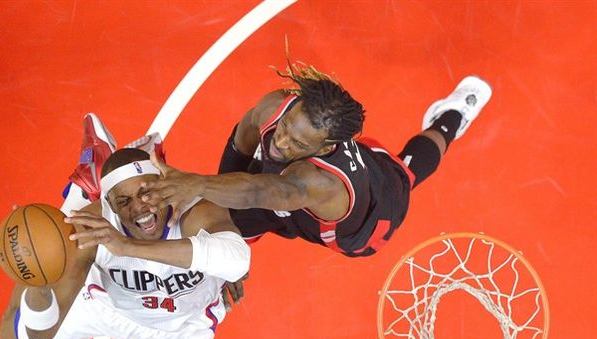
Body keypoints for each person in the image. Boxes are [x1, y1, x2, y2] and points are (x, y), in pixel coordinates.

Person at [140, 64, 492, 257]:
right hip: (291, 185)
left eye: (295, 142)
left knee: (409, 171)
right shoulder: (278, 106)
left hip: (367, 223)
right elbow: (246, 131)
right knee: (211, 214)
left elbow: (256, 192)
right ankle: (449, 118)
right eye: (286, 127)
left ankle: (450, 119)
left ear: (324, 148)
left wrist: (200, 186)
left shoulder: (315, 182)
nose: (279, 142)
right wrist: (224, 207)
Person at [0, 132, 251, 339]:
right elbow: (41, 332)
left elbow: (238, 261)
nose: (140, 207)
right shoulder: (93, 227)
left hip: (182, 325)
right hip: (111, 307)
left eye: (146, 192)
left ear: (165, 185)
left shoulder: (197, 210)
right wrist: (38, 279)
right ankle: (78, 202)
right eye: (124, 201)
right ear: (110, 207)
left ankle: (87, 188)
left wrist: (127, 246)